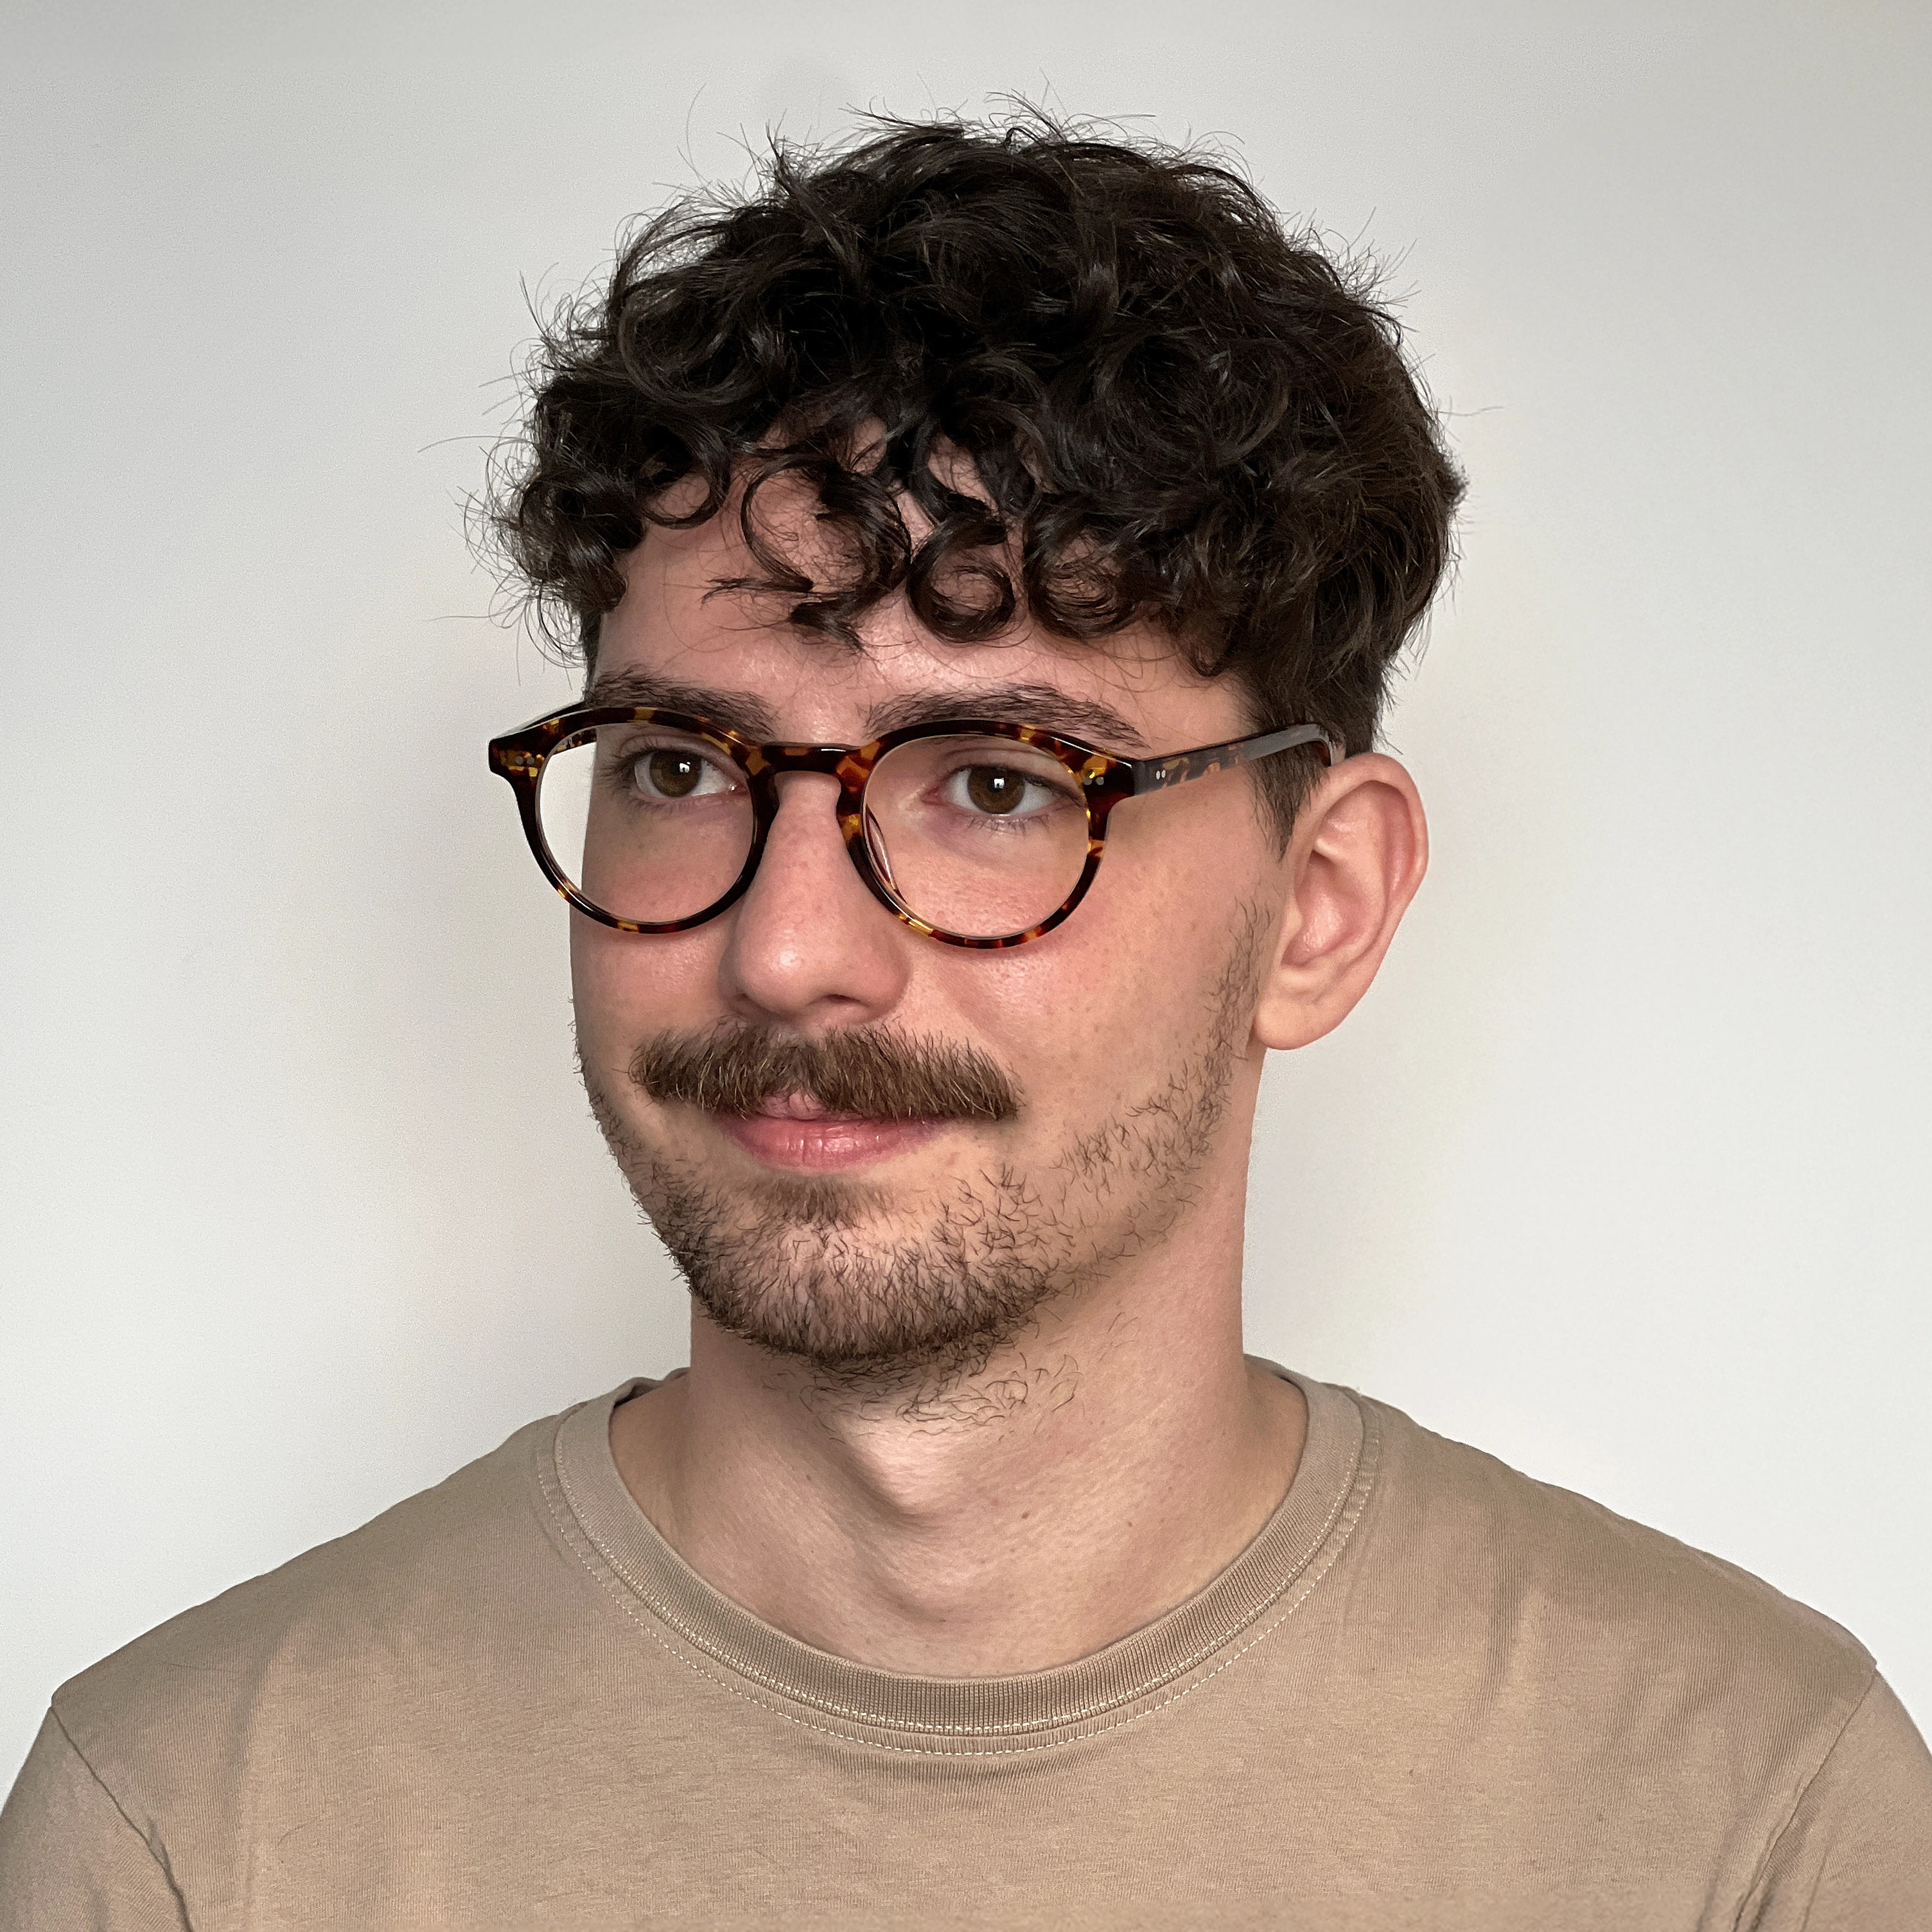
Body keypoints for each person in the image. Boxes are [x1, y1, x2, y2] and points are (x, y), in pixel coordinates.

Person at [3, 112, 1928, 1929]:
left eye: (998, 784)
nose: (785, 953)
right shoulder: (186, 1834)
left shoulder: (1742, 1817)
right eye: (680, 765)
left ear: (1318, 907)